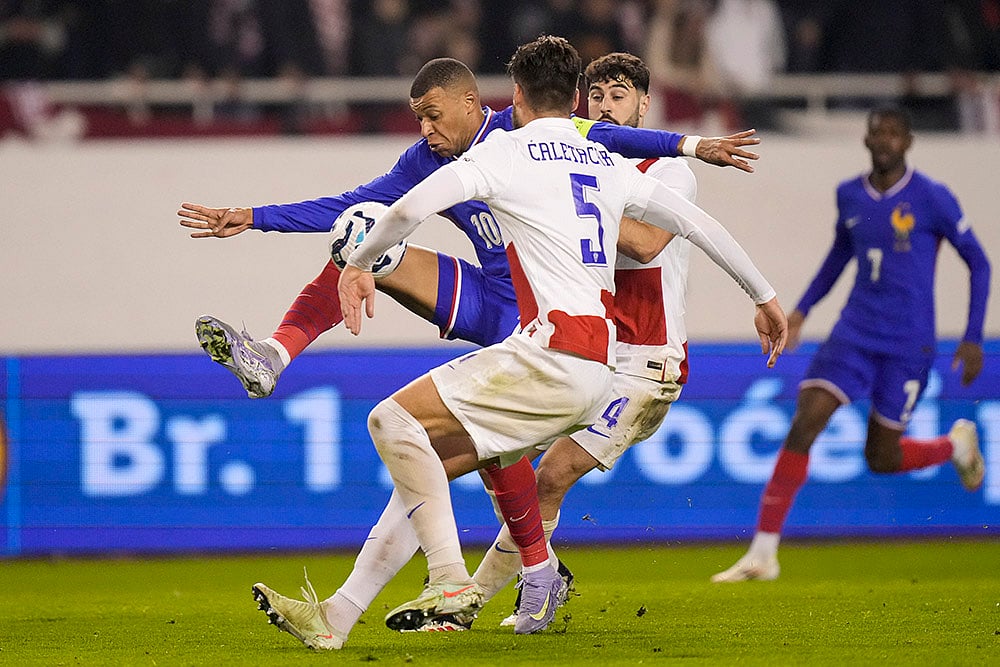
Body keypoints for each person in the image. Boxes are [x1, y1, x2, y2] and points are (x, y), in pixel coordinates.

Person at [253, 33, 784, 645]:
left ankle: (453, 579)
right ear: (576, 99)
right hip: (594, 365)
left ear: (518, 99)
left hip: (554, 354)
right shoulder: (605, 163)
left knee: (392, 423)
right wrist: (764, 297)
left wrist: (358, 262)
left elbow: (402, 211)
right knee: (431, 466)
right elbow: (697, 225)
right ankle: (337, 618)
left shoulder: (504, 154)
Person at [711, 105, 991, 583]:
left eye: (892, 133)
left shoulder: (932, 198)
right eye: (875, 132)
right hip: (854, 334)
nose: (883, 140)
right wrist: (800, 310)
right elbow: (840, 254)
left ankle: (955, 445)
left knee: (881, 458)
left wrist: (972, 336)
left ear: (907, 142)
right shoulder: (850, 196)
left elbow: (979, 262)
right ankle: (763, 553)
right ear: (865, 141)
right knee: (806, 420)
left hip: (909, 345)